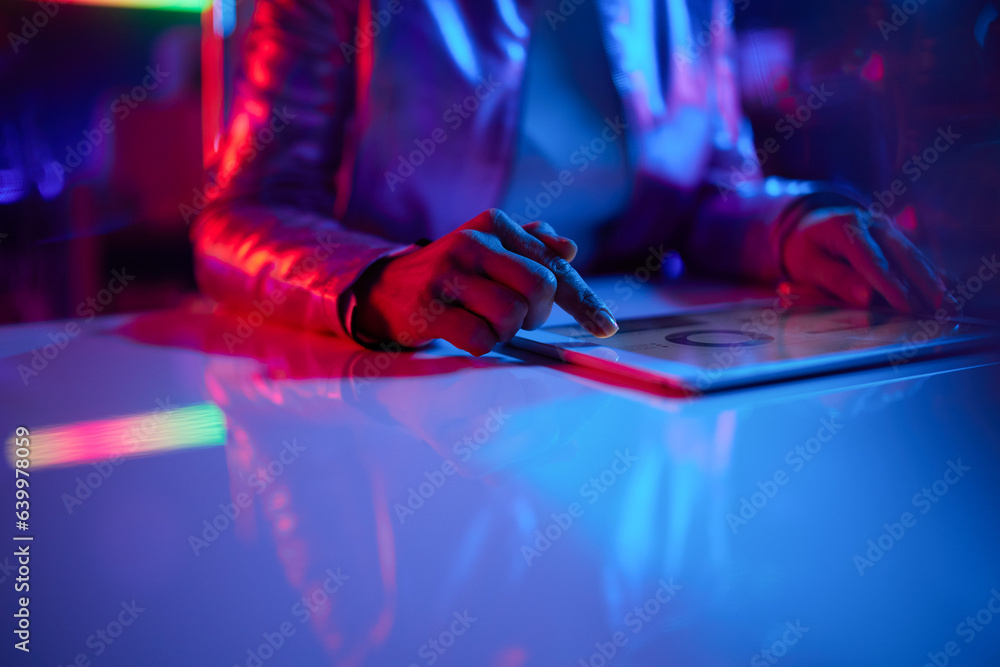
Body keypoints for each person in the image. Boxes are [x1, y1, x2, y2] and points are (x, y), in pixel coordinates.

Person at [191, 0, 947, 356]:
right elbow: (245, 212)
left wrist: (795, 224)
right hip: (415, 391)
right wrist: (381, 281)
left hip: (635, 391)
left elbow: (710, 185)